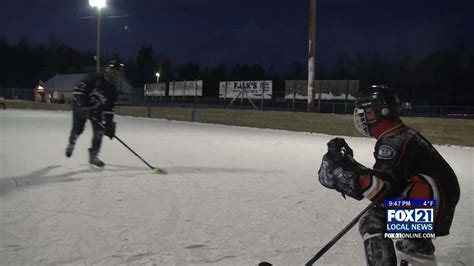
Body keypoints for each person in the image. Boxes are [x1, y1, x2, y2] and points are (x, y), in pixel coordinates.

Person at [317, 85, 460, 265]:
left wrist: (342, 174)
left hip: (433, 199)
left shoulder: (393, 142)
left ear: (379, 112)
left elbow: (382, 190)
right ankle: (417, 253)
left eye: (365, 112)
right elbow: (392, 179)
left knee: (373, 221)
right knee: (400, 219)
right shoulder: (398, 134)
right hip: (437, 195)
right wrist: (352, 167)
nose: (361, 117)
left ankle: (413, 252)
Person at [65, 60, 124, 167]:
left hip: (96, 109)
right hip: (81, 105)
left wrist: (109, 124)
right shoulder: (94, 78)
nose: (115, 75)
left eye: (118, 74)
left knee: (100, 131)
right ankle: (72, 143)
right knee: (79, 127)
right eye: (113, 72)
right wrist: (83, 104)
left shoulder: (113, 90)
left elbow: (110, 108)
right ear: (108, 70)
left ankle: (94, 156)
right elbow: (78, 90)